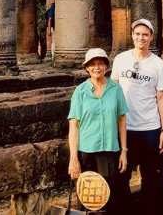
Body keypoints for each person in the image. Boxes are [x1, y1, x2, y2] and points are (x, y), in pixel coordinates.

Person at [111, 18, 163, 213]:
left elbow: (161, 97)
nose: (141, 38)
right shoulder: (121, 59)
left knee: (151, 176)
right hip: (125, 128)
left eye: (145, 34)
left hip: (150, 128)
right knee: (121, 175)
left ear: (151, 37)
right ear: (132, 35)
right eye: (137, 34)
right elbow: (113, 90)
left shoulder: (159, 64)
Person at [68, 48, 128, 214]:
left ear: (106, 67)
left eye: (100, 63)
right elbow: (74, 126)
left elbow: (122, 120)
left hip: (109, 151)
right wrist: (73, 159)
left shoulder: (115, 89)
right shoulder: (80, 92)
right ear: (87, 68)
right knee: (87, 197)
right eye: (92, 64)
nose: (97, 67)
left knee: (109, 197)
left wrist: (124, 151)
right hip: (86, 151)